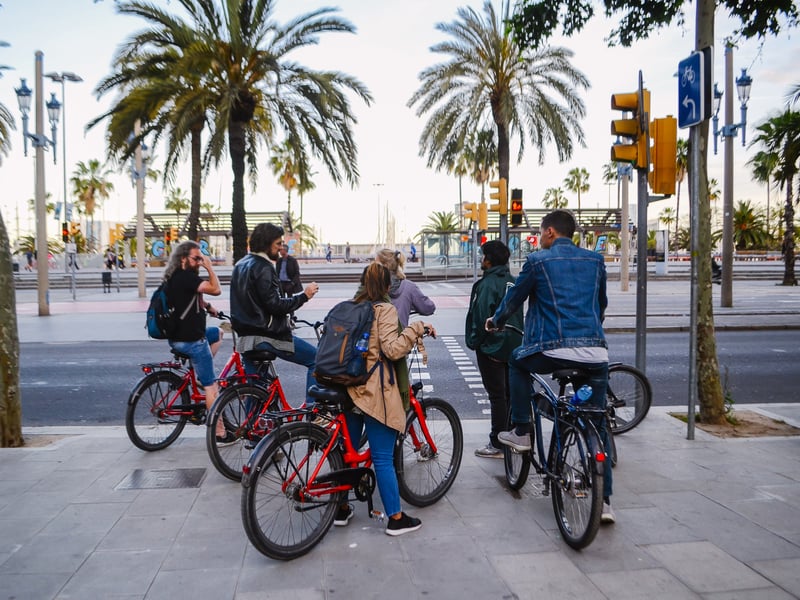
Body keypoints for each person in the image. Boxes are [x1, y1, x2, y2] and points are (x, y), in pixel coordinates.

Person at [486, 209, 615, 524]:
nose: (540, 238)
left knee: (517, 361)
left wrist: (495, 321)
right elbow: (600, 305)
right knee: (596, 422)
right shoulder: (595, 261)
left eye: (541, 232)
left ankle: (522, 430)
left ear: (550, 233)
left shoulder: (538, 261)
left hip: (552, 350)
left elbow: (514, 299)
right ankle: (606, 503)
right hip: (596, 353)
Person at [338, 262, 436, 535]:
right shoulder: (385, 309)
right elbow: (392, 350)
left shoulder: (351, 307)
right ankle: (395, 517)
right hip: (373, 391)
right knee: (382, 457)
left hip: (349, 388)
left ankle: (341, 509)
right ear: (385, 287)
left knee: (349, 454)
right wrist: (416, 329)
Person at [229, 223, 320, 404]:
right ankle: (312, 412)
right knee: (316, 360)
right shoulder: (263, 267)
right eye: (278, 243)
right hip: (267, 336)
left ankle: (250, 429)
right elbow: (275, 305)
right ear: (266, 243)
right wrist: (304, 296)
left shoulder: (240, 265)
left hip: (246, 338)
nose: (281, 247)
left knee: (256, 390)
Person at [465, 240, 523, 458]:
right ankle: (515, 435)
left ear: (488, 260)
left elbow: (480, 317)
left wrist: (475, 342)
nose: (481, 260)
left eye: (483, 256)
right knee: (511, 393)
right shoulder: (513, 281)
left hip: (492, 346)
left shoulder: (486, 285)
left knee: (497, 396)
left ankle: (497, 442)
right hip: (514, 345)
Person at [163, 241, 226, 439]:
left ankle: (200, 375)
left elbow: (192, 297)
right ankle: (219, 431)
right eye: (196, 258)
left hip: (176, 338)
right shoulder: (187, 277)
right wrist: (209, 267)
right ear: (183, 259)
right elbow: (216, 289)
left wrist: (208, 308)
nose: (199, 261)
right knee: (211, 385)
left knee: (218, 333)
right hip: (191, 340)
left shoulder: (174, 277)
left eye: (201, 258)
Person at [375, 248, 435, 327]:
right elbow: (428, 308)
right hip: (400, 337)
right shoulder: (409, 287)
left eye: (375, 264)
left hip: (376, 337)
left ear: (383, 266)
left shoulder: (371, 287)